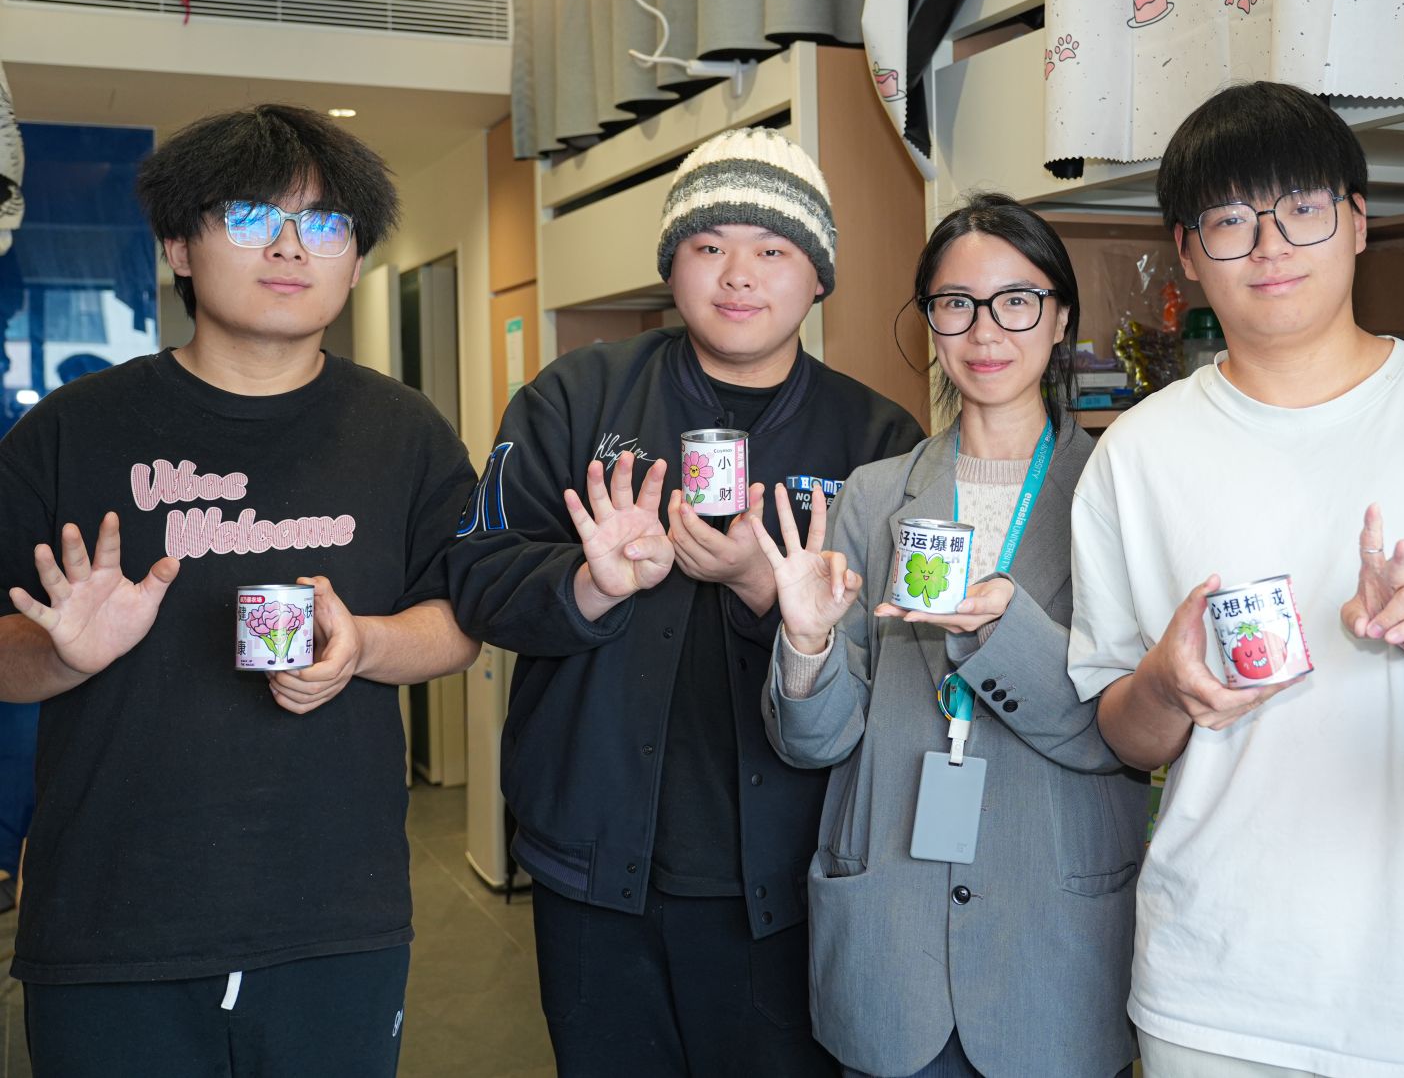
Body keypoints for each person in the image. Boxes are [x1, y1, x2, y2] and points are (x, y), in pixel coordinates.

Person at [1066, 81, 1404, 1078]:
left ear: (1357, 222)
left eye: (1302, 208)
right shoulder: (1137, 453)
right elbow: (1124, 733)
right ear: (1187, 252)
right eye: (1230, 220)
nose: (1269, 247)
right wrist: (1167, 688)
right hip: (1216, 989)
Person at [0, 105, 481, 1077]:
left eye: (327, 223)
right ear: (178, 245)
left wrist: (365, 646)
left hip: (335, 919)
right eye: (254, 217)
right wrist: (61, 652)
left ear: (356, 258)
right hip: (109, 923)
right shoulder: (69, 432)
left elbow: (460, 622)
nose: (293, 246)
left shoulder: (406, 433)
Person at [448, 127, 923, 1075]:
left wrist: (762, 588)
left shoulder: (876, 437)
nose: (738, 274)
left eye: (773, 249)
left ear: (819, 277)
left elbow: (898, 662)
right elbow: (477, 578)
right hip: (592, 869)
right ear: (672, 265)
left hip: (792, 878)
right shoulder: (574, 399)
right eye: (709, 245)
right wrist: (590, 584)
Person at [757, 193, 1147, 1078]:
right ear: (930, 321)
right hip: (890, 942)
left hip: (1056, 948)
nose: (985, 329)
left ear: (1061, 319)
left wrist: (1005, 632)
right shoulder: (873, 495)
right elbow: (814, 743)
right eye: (956, 303)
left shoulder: (1118, 494)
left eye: (1017, 300)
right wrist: (808, 647)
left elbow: (1125, 735)